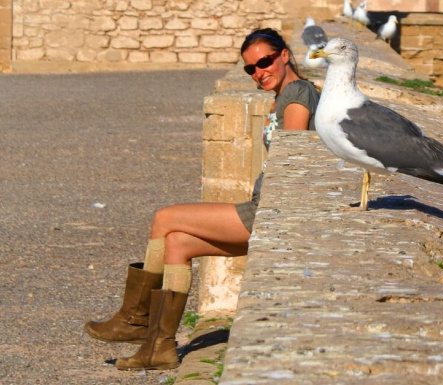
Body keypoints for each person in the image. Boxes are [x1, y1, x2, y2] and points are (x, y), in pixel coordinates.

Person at [84, 28, 320, 371]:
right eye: (250, 68)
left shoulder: (298, 93)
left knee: (164, 218)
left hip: (272, 211)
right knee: (178, 244)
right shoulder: (281, 97)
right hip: (268, 207)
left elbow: (294, 155)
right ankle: (158, 348)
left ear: (285, 55)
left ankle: (134, 319)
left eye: (265, 61)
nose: (259, 72)